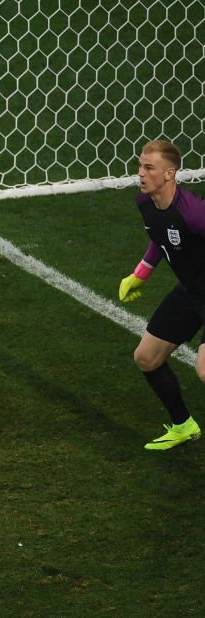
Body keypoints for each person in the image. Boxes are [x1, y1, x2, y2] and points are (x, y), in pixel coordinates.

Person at [118, 140, 204, 450]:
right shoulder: (145, 203)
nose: (140, 173)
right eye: (140, 165)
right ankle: (184, 425)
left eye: (148, 167)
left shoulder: (193, 213)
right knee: (146, 357)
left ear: (169, 174)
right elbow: (159, 237)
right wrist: (140, 274)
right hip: (193, 291)